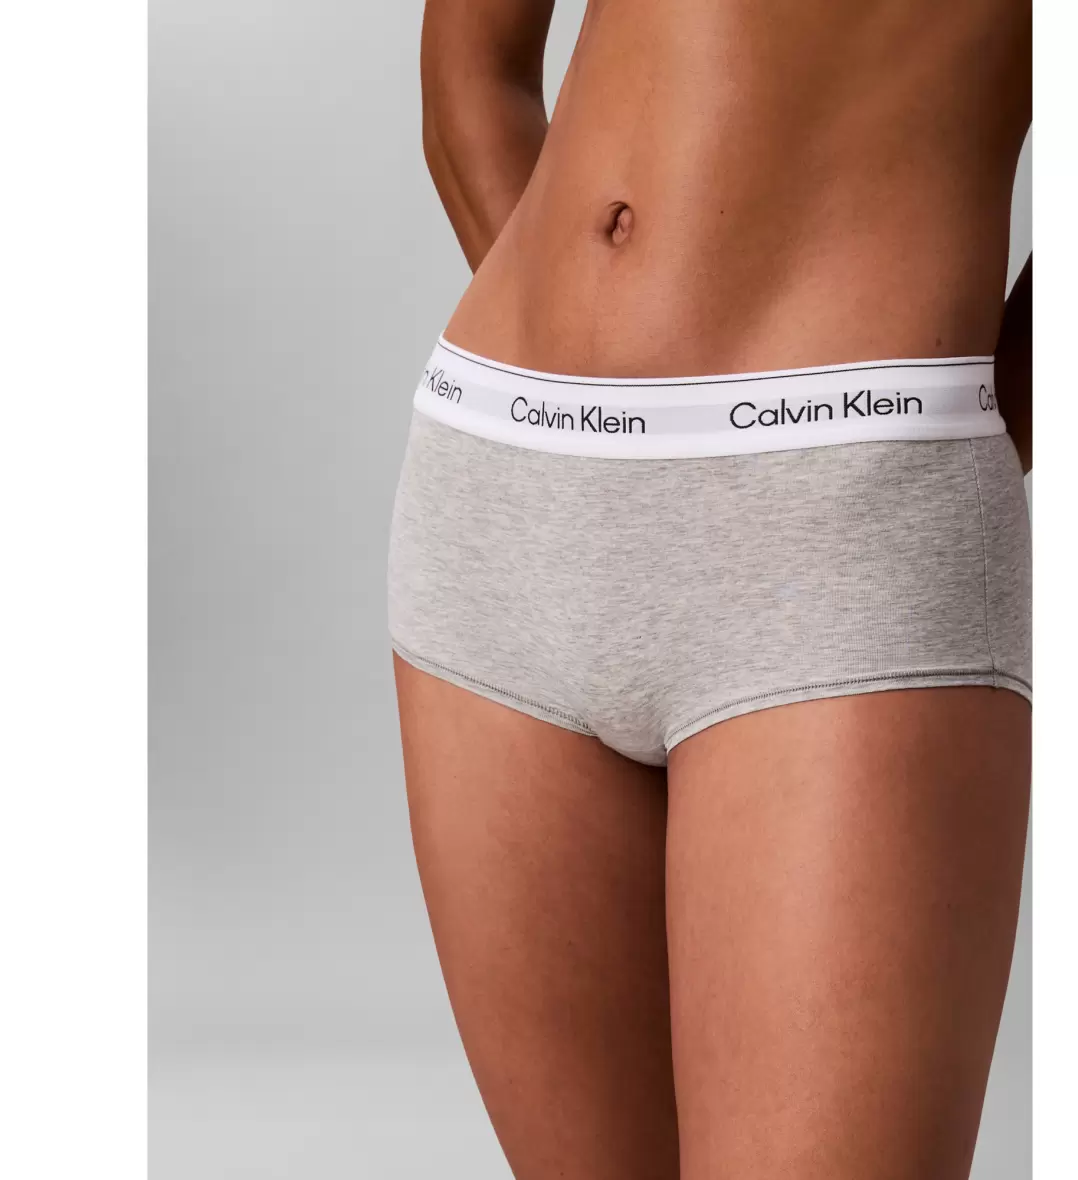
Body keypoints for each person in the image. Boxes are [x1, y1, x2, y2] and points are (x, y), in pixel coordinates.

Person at [387, 0, 1032, 1175]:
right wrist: (614, 415)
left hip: (844, 510)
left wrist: (935, 456)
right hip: (507, 472)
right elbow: (468, 71)